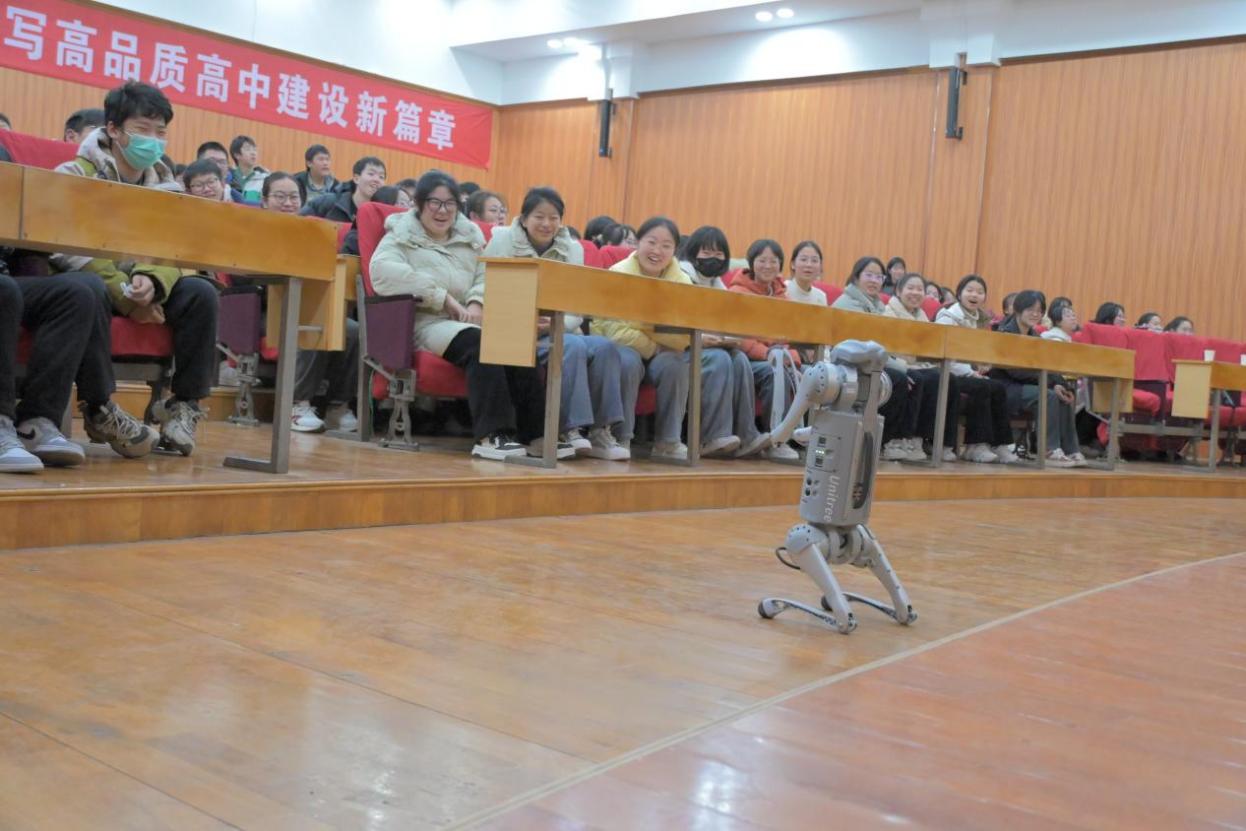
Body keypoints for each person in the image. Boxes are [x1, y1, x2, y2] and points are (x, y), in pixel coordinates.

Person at [54, 81, 215, 457]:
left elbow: (178, 247)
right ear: (113, 129)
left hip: (145, 283)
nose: (154, 141)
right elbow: (64, 245)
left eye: (161, 132)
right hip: (98, 283)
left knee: (201, 292)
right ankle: (99, 408)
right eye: (143, 130)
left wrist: (152, 281)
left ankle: (183, 405)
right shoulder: (74, 174)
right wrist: (128, 298)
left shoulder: (169, 186)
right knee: (86, 288)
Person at [370, 171, 561, 461]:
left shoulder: (469, 235)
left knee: (516, 342)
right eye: (434, 202)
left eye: (450, 204)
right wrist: (441, 297)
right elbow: (382, 272)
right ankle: (491, 436)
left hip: (468, 319)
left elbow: (485, 273)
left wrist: (476, 302)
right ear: (419, 204)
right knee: (481, 343)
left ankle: (535, 434)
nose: (442, 211)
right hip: (424, 321)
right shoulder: (400, 234)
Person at [593, 217, 762, 461]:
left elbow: (684, 333)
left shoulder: (681, 281)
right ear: (638, 243)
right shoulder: (618, 274)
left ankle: (667, 441)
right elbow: (616, 331)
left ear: (675, 250)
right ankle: (621, 437)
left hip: (663, 350)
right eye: (651, 242)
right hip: (622, 347)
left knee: (675, 364)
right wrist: (656, 340)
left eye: (666, 245)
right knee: (628, 361)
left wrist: (645, 328)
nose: (657, 251)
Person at [484, 186, 634, 461]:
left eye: (554, 218)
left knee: (605, 347)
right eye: (539, 216)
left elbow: (577, 304)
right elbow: (489, 287)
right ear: (524, 218)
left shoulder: (572, 249)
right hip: (517, 329)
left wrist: (556, 325)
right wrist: (527, 320)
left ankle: (600, 432)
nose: (546, 223)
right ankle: (568, 430)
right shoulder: (502, 240)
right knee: (572, 346)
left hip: (560, 326)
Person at [257, 173, 361, 435]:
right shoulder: (254, 229)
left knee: (352, 330)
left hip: (305, 302)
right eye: (279, 196)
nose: (287, 203)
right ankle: (297, 404)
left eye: (294, 197)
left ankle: (338, 406)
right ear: (264, 201)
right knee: (308, 324)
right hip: (264, 309)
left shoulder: (311, 232)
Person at [831, 256, 926, 461]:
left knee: (917, 377)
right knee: (899, 379)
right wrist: (901, 367)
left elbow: (884, 346)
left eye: (878, 276)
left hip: (871, 362)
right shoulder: (848, 303)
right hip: (850, 364)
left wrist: (901, 365)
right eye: (869, 275)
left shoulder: (878, 306)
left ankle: (902, 438)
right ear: (856, 277)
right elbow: (862, 349)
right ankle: (884, 442)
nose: (874, 281)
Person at [990, 290, 1084, 467]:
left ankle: (1071, 449)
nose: (1035, 314)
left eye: (1039, 311)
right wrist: (1049, 384)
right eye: (1030, 310)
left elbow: (1047, 365)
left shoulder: (1034, 336)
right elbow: (1016, 371)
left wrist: (1061, 385)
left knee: (1062, 397)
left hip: (1027, 386)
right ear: (1018, 309)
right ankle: (1049, 450)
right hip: (1006, 387)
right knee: (1047, 396)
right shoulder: (1006, 332)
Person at [728, 240, 800, 461]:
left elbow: (789, 335)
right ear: (751, 263)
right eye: (762, 260)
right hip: (747, 358)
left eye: (773, 261)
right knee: (774, 373)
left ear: (780, 265)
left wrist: (790, 356)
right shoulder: (738, 292)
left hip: (775, 356)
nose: (768, 266)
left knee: (812, 374)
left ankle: (806, 441)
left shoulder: (783, 296)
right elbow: (738, 335)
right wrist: (767, 354)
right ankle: (776, 441)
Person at [934, 275, 1019, 463]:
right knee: (982, 387)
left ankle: (1000, 444)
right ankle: (975, 445)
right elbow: (944, 354)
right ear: (959, 294)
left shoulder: (980, 321)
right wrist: (971, 372)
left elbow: (980, 351)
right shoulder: (948, 317)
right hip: (948, 372)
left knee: (997, 387)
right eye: (970, 290)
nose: (974, 295)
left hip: (968, 373)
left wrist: (984, 363)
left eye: (980, 292)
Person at [883, 273, 960, 461]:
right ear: (899, 291)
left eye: (919, 289)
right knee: (919, 379)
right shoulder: (888, 313)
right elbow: (886, 350)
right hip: (894, 365)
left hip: (917, 364)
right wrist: (907, 367)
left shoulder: (922, 317)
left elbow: (929, 349)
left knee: (946, 378)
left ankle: (927, 440)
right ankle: (898, 439)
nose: (915, 293)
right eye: (910, 288)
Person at [301, 156, 386, 224]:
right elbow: (298, 220)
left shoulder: (382, 216)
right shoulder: (329, 201)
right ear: (356, 178)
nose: (377, 180)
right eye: (371, 174)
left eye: (381, 177)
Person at [228, 135, 268, 203]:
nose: (253, 153)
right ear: (237, 155)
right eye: (248, 149)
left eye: (255, 149)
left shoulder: (264, 179)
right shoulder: (228, 177)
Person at [787, 240, 828, 305]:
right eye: (803, 259)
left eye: (814, 260)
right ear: (793, 264)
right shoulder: (782, 290)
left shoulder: (821, 297)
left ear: (820, 266)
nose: (809, 265)